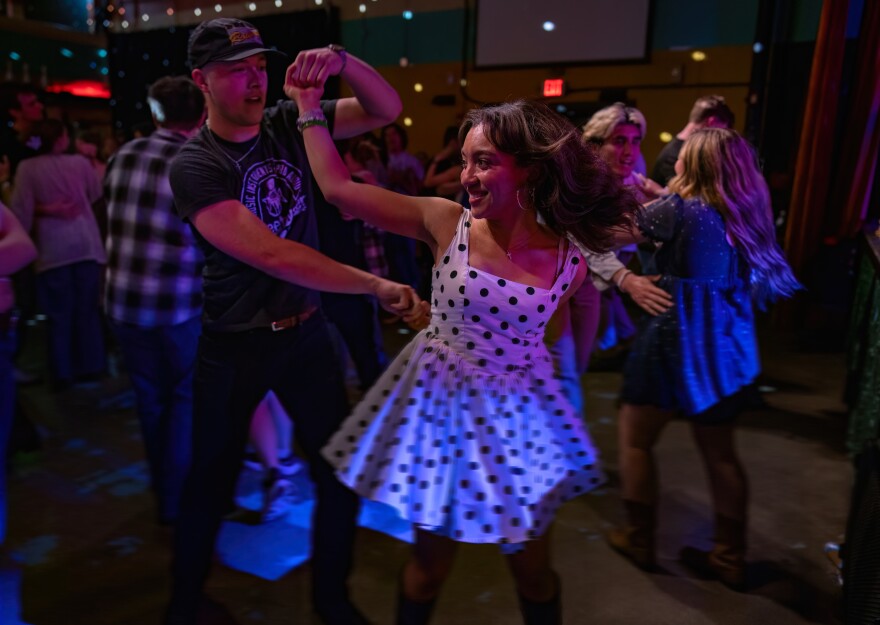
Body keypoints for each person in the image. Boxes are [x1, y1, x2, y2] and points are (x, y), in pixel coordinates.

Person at [291, 62, 636, 621]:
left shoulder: (569, 259)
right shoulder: (445, 223)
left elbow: (558, 328)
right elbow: (337, 190)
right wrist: (309, 107)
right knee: (429, 570)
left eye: (484, 162)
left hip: (517, 427)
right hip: (443, 420)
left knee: (533, 571)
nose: (466, 176)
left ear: (527, 169)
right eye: (463, 161)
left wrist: (569, 370)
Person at [163, 18, 420, 625]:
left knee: (337, 475)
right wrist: (373, 284)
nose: (255, 81)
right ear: (201, 81)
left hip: (305, 333)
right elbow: (274, 253)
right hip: (236, 343)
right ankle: (182, 603)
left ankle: (332, 601)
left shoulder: (287, 120)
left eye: (259, 66)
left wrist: (342, 60)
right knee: (211, 483)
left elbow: (386, 108)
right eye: (236, 70)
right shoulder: (194, 164)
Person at [605, 128, 801, 591]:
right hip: (726, 347)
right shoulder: (741, 211)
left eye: (681, 153)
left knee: (635, 439)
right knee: (721, 454)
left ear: (694, 165)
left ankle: (640, 540)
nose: (672, 155)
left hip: (674, 338)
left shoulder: (677, 209)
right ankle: (729, 558)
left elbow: (612, 234)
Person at [103, 76, 206, 526]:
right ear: (201, 113)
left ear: (155, 113)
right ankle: (181, 502)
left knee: (150, 403)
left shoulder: (122, 155)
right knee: (185, 401)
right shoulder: (194, 163)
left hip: (123, 304)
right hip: (177, 307)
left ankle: (165, 497)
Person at [10, 119, 107, 390]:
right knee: (87, 311)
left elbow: (21, 211)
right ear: (62, 138)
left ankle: (63, 372)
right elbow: (95, 193)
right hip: (86, 244)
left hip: (52, 251)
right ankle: (92, 366)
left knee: (59, 315)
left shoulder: (27, 169)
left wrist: (43, 210)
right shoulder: (79, 164)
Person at [649, 94, 734, 187]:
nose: (721, 139)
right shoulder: (673, 157)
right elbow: (683, 195)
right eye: (721, 131)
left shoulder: (678, 151)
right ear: (711, 121)